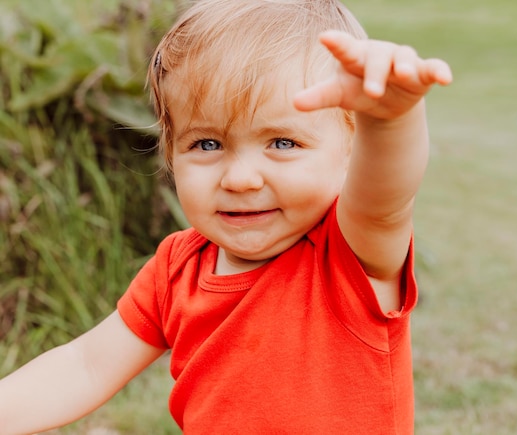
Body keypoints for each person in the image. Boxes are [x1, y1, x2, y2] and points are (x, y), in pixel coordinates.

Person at [0, 0, 451, 433]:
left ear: (350, 155)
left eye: (282, 143)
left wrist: (391, 121)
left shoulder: (348, 254)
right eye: (208, 144)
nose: (240, 179)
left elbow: (385, 200)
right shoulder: (177, 268)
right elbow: (87, 365)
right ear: (171, 154)